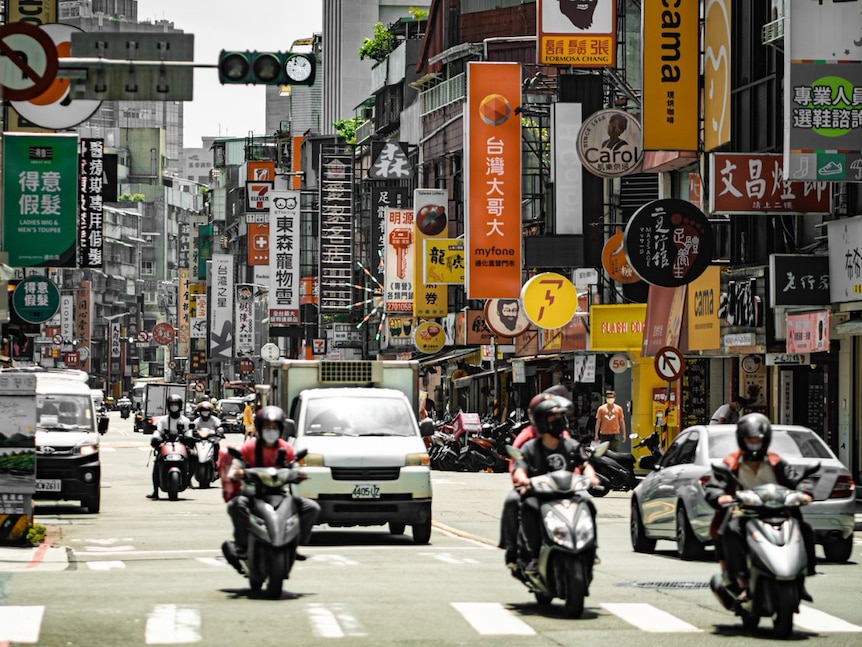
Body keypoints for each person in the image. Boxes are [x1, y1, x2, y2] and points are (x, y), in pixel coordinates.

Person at [703, 413, 816, 601]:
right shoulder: (731, 463)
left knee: (805, 529)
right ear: (741, 440)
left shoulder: (776, 461)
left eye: (758, 440)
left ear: (766, 440)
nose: (754, 444)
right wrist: (720, 496)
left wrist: (804, 492)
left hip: (778, 511)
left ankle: (801, 579)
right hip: (745, 512)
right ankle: (741, 581)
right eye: (750, 440)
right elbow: (715, 485)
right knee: (730, 531)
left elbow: (796, 479)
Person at [511, 397, 599, 574]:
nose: (560, 421)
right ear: (542, 422)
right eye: (553, 417)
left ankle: (591, 548)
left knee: (587, 504)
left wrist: (591, 477)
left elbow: (585, 465)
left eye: (561, 417)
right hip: (541, 495)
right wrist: (523, 479)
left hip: (567, 493)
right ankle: (535, 556)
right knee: (529, 507)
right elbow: (520, 468)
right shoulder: (530, 447)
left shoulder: (571, 445)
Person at [225, 406, 320, 564]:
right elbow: (237, 463)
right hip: (254, 494)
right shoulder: (250, 447)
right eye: (267, 427)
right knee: (237, 505)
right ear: (260, 428)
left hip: (281, 495)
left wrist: (298, 474)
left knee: (312, 508)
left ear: (280, 429)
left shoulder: (286, 448)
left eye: (274, 427)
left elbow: (294, 465)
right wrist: (236, 473)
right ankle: (242, 545)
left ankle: (295, 544)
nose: (271, 431)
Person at [499, 388, 575, 567]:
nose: (554, 421)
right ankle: (513, 549)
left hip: (562, 488)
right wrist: (522, 481)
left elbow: (577, 460)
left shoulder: (564, 436)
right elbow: (516, 464)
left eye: (556, 416)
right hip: (535, 488)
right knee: (513, 501)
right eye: (548, 416)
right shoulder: (527, 438)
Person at [146, 394, 193, 500]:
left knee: (195, 457)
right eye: (172, 405)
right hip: (165, 446)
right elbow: (158, 432)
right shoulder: (163, 420)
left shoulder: (185, 420)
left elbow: (189, 433)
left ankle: (189, 478)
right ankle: (155, 491)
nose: (174, 407)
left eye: (176, 405)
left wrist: (189, 439)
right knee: (157, 464)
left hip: (181, 446)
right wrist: (156, 439)